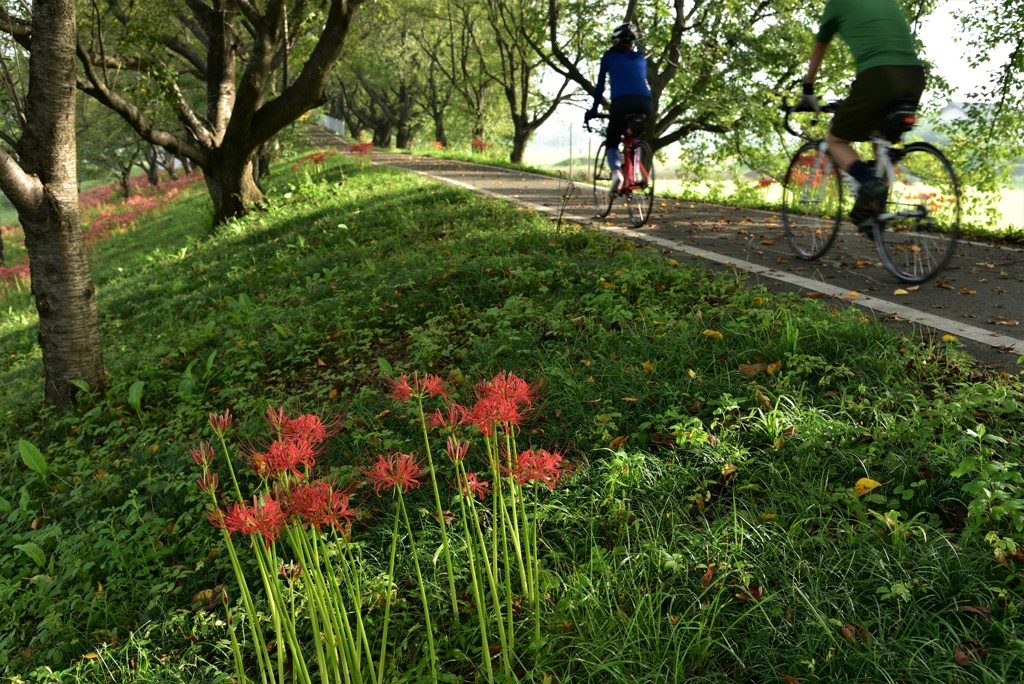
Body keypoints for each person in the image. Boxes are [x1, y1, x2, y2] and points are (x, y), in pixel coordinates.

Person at [798, 0, 926, 228]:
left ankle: (869, 183)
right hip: (914, 76)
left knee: (835, 140)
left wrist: (808, 89)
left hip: (879, 75)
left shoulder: (836, 4)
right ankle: (875, 209)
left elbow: (819, 48)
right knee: (880, 137)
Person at [585, 22, 653, 196]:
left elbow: (600, 87)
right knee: (635, 136)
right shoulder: (640, 58)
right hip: (646, 103)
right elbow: (637, 81)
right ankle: (636, 172)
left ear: (615, 41)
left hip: (622, 103)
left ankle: (617, 173)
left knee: (613, 141)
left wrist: (593, 110)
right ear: (633, 42)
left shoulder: (609, 57)